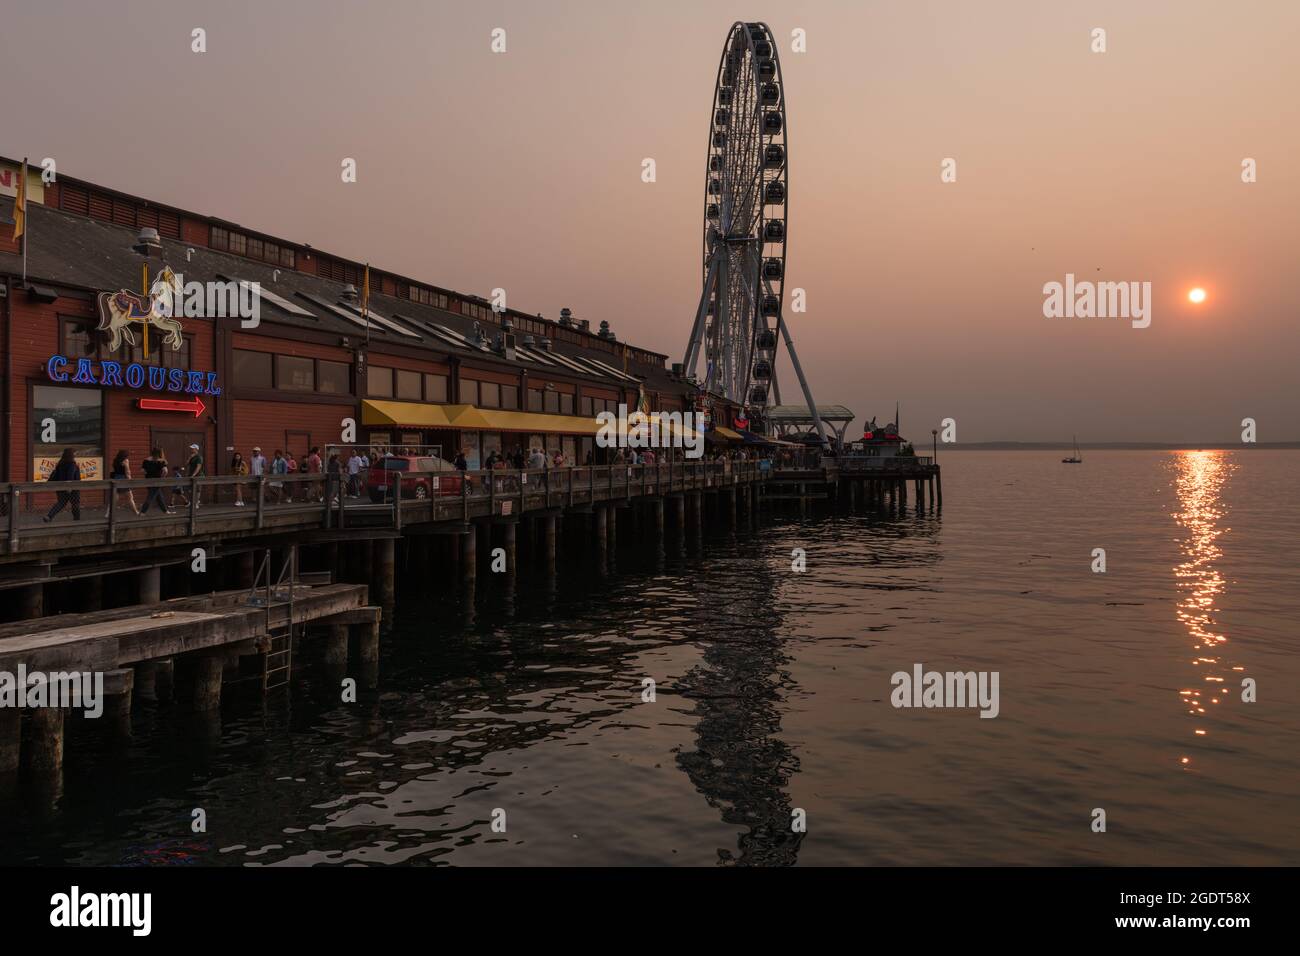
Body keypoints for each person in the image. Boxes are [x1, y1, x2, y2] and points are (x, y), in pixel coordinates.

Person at [43, 448, 83, 522]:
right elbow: (70, 475)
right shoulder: (72, 464)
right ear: (71, 455)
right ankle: (77, 521)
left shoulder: (60, 464)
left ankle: (49, 516)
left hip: (61, 487)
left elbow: (56, 476)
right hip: (72, 488)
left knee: (61, 503)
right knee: (75, 504)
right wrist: (69, 487)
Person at [106, 449, 140, 517]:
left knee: (114, 498)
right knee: (130, 498)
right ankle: (136, 512)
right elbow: (127, 471)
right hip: (123, 480)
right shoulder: (125, 460)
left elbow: (113, 470)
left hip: (116, 479)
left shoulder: (115, 460)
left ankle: (108, 513)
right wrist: (129, 480)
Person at [140, 447, 170, 513]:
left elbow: (142, 470)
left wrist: (148, 472)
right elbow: (165, 471)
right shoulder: (161, 461)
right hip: (157, 480)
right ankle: (142, 512)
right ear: (160, 453)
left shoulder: (146, 460)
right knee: (150, 497)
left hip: (148, 480)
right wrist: (162, 477)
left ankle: (165, 511)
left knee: (159, 496)